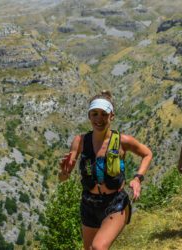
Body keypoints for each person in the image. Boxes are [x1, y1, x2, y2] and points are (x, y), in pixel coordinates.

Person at [59, 91, 152, 250]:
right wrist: (64, 172)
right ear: (89, 116)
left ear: (112, 116)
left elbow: (147, 154)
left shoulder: (123, 141)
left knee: (98, 247)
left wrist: (138, 178)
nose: (99, 119)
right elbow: (63, 178)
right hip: (88, 203)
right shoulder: (80, 141)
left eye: (104, 114)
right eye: (94, 114)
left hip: (115, 202)